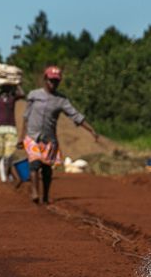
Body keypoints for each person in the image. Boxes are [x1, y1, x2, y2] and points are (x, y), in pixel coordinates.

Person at [17, 66, 98, 204]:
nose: (53, 83)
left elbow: (75, 115)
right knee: (34, 164)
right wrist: (21, 136)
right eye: (50, 80)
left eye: (56, 81)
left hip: (49, 139)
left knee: (47, 169)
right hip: (32, 136)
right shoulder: (34, 95)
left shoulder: (61, 100)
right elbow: (26, 116)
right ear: (45, 79)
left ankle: (46, 196)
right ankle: (35, 192)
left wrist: (91, 130)